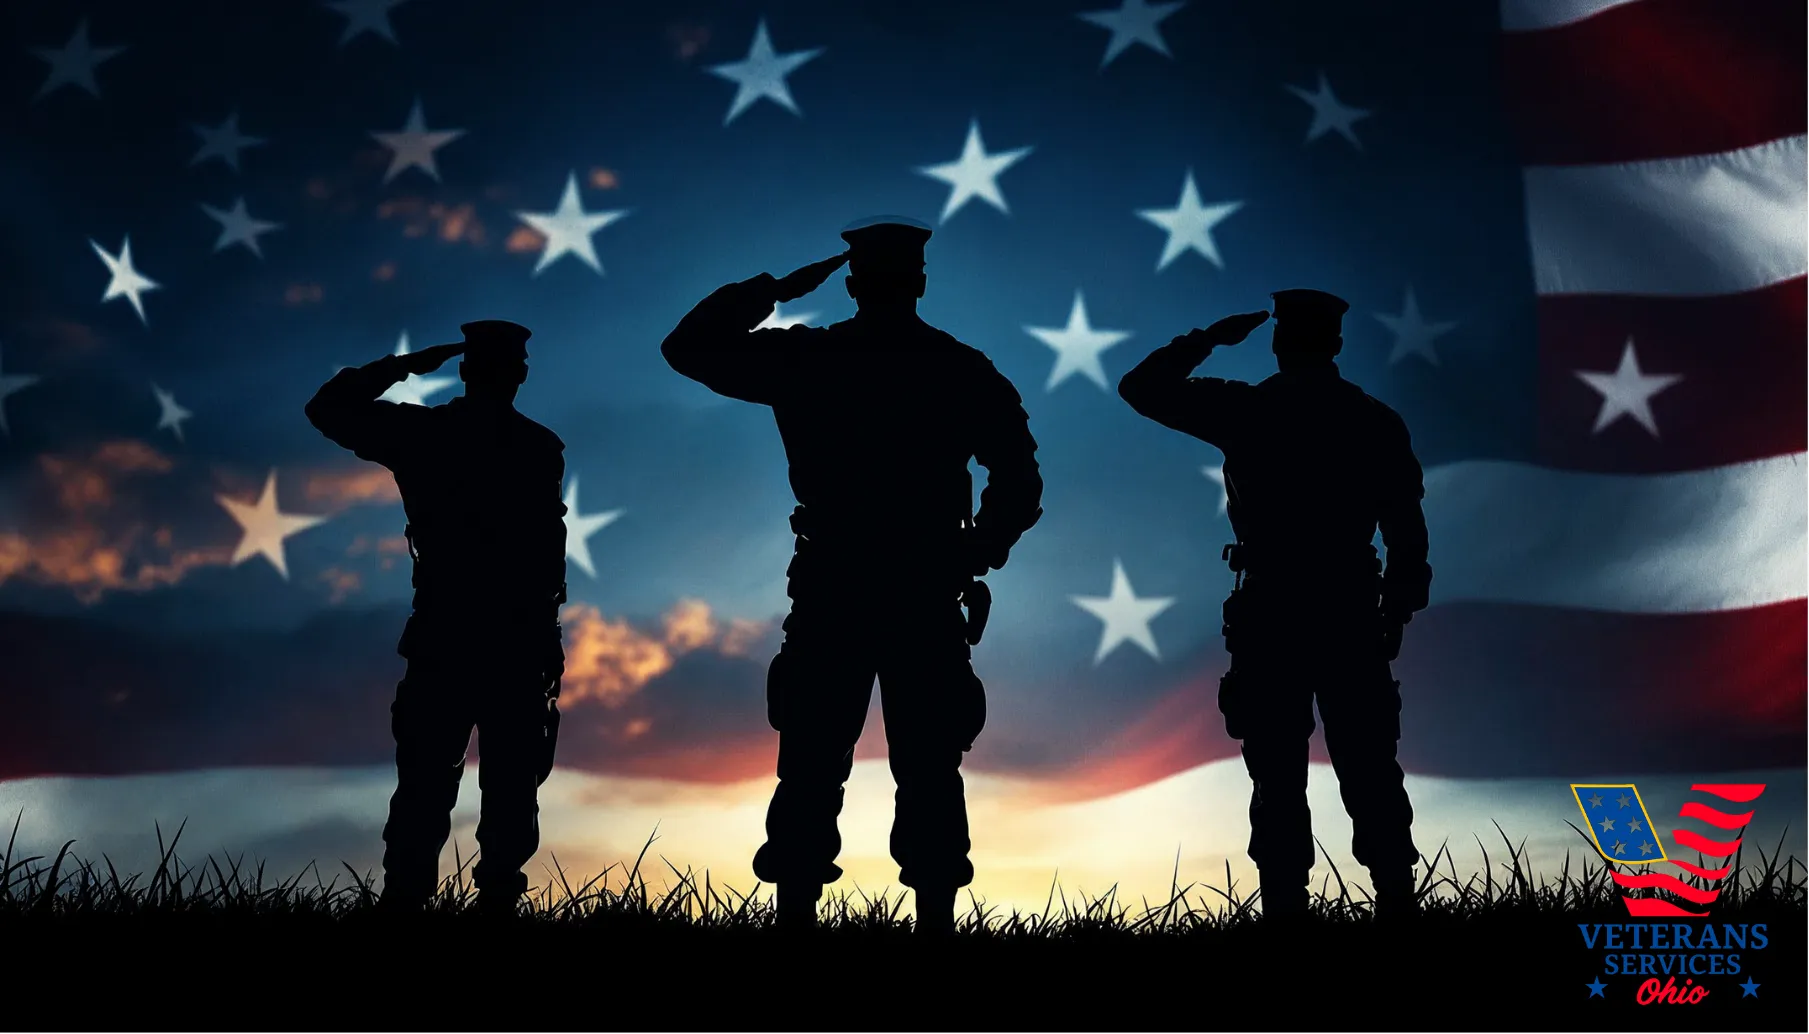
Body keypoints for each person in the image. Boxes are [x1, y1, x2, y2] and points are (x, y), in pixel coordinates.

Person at [661, 216, 1044, 934]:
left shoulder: (809, 358)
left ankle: (796, 919)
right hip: (920, 588)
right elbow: (1019, 480)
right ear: (919, 283)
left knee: (812, 762)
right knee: (928, 766)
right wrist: (975, 552)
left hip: (836, 586)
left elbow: (687, 347)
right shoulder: (960, 368)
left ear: (850, 283)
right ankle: (933, 920)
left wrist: (771, 291)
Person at [1117, 290, 1431, 921]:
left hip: (1274, 610)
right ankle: (1396, 903)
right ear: (1334, 343)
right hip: (1346, 609)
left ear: (1278, 341)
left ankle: (1287, 910)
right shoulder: (1373, 419)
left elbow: (1141, 388)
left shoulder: (1249, 408)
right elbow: (1406, 531)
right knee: (1368, 763)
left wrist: (1207, 338)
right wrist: (1395, 611)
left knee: (1278, 770)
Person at [304, 319, 568, 915]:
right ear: (513, 374)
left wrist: (404, 366)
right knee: (481, 788)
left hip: (471, 638)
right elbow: (324, 409)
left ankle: (428, 902)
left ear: (466, 370)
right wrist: (406, 365)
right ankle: (458, 902)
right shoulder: (527, 445)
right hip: (491, 639)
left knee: (461, 787)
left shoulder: (432, 434)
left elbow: (329, 408)